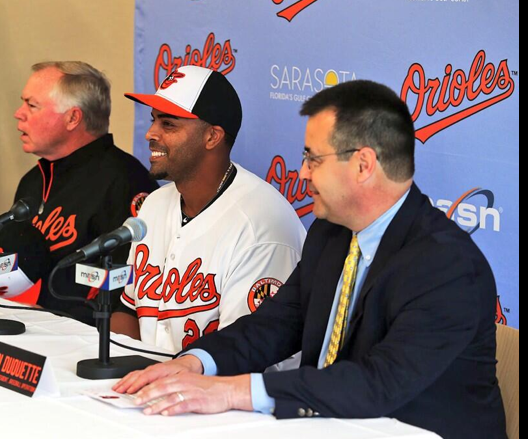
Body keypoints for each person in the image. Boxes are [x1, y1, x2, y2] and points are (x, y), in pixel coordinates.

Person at [113, 80, 506, 439]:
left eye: (313, 158)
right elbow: (276, 324)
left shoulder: (448, 266)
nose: (301, 173)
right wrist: (196, 363)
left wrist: (232, 391)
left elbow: (377, 384)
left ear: (363, 165)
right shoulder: (330, 233)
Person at [0, 61, 158, 325]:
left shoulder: (124, 180)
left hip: (79, 340)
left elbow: (126, 292)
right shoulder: (34, 180)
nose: (18, 114)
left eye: (32, 105)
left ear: (72, 118)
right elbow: (10, 264)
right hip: (20, 325)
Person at [111, 65, 306, 354]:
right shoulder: (154, 204)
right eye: (153, 121)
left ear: (212, 137)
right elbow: (126, 310)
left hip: (230, 394)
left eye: (168, 124)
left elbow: (244, 354)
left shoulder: (261, 224)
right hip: (157, 383)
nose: (150, 133)